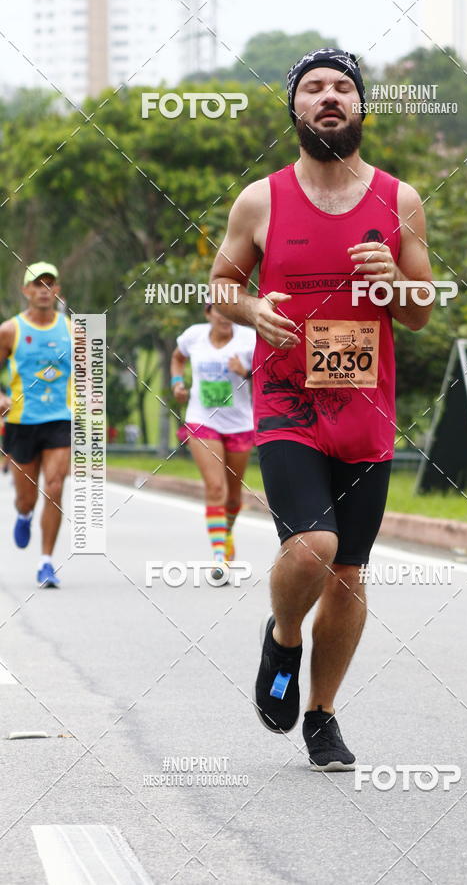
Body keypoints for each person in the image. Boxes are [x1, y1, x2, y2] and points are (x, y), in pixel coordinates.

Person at [208, 48, 434, 770]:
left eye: (343, 87)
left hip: (366, 412)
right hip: (286, 404)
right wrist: (251, 309)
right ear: (296, 110)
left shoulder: (399, 200)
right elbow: (221, 283)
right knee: (314, 546)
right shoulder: (261, 199)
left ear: (360, 107)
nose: (329, 97)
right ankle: (282, 636)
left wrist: (396, 280)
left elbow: (423, 312)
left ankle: (322, 714)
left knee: (350, 573)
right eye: (314, 89)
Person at [0, 262, 72, 588]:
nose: (44, 289)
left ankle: (46, 562)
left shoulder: (73, 330)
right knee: (26, 497)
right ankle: (24, 513)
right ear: (26, 290)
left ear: (57, 290)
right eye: (37, 284)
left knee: (55, 487)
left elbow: (86, 374)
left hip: (60, 418)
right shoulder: (9, 330)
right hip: (21, 422)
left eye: (50, 284)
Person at [171, 302, 256, 576]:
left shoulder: (249, 338)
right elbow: (177, 357)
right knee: (215, 488)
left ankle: (226, 532)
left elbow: (270, 373)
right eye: (218, 310)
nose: (224, 317)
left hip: (239, 423)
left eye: (229, 311)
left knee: (232, 498)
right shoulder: (193, 336)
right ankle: (219, 556)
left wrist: (245, 372)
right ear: (208, 313)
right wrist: (177, 384)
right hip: (202, 420)